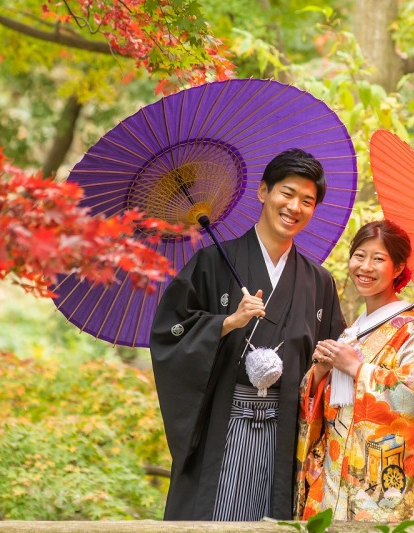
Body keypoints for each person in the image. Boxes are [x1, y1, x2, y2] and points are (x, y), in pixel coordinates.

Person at [150, 148, 346, 521]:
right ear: (263, 192)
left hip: (285, 430)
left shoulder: (318, 280)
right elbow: (168, 334)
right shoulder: (211, 263)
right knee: (217, 519)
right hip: (224, 423)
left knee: (273, 521)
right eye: (286, 193)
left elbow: (330, 356)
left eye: (307, 201)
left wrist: (323, 369)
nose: (295, 207)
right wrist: (226, 322)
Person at [294, 219, 414, 522]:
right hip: (333, 473)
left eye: (378, 259)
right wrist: (321, 372)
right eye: (359, 255)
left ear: (399, 268)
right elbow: (326, 405)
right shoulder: (354, 331)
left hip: (373, 477)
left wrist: (356, 368)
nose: (365, 267)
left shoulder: (409, 329)